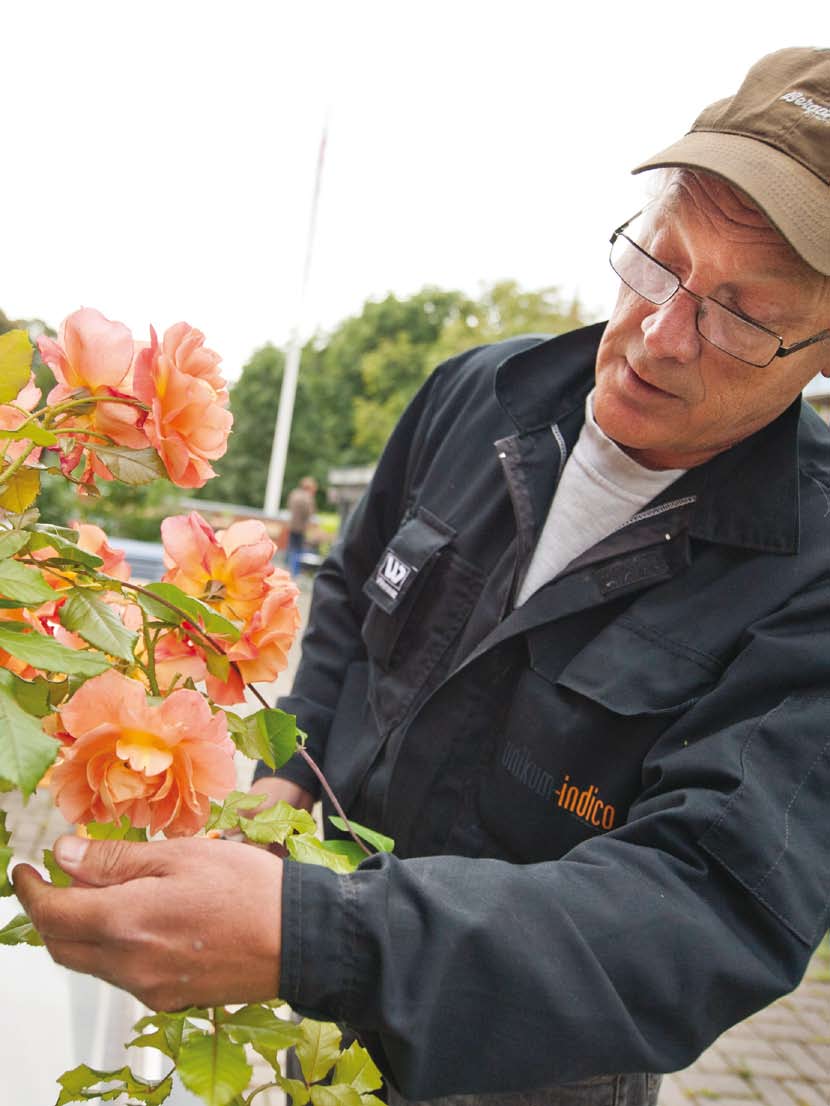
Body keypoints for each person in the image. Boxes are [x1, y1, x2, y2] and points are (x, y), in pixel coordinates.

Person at [14, 47, 830, 1106]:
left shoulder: (808, 573)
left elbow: (710, 906)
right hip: (293, 995)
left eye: (738, 311)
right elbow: (350, 594)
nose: (660, 334)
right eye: (658, 261)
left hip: (524, 1069)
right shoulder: (474, 393)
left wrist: (319, 937)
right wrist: (283, 779)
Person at [286, 476, 318, 577]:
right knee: (298, 551)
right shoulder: (308, 498)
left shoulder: (294, 494)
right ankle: (295, 574)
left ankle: (288, 570)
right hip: (301, 528)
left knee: (291, 549)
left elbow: (289, 507)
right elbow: (310, 513)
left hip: (292, 526)